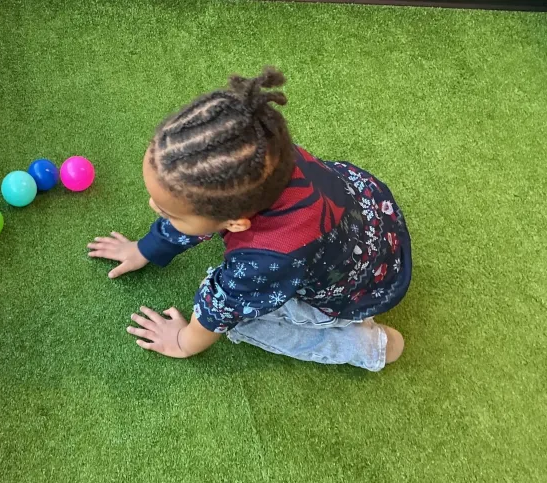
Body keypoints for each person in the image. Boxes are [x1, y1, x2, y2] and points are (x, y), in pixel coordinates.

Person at [87, 67, 411, 371]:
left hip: (354, 292)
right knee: (201, 214)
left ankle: (370, 346)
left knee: (244, 322)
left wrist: (183, 342)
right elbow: (198, 219)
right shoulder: (262, 154)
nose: (152, 206)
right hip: (373, 220)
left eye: (167, 212)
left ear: (237, 223)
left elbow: (221, 308)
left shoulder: (266, 257)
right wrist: (146, 249)